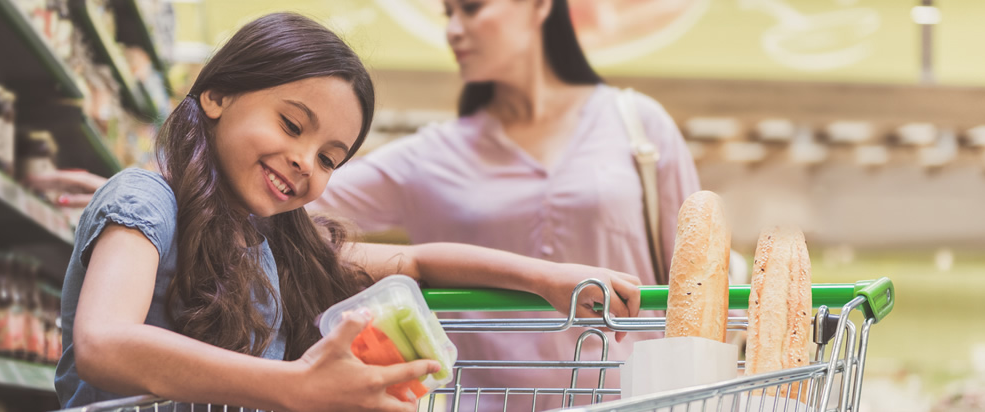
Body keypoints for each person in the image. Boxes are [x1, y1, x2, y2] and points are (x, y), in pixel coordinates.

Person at [55, 12, 642, 411]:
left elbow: (413, 262)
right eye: (291, 124)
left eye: (329, 158)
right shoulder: (146, 200)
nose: (305, 162)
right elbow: (105, 342)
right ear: (216, 96)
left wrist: (547, 277)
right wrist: (297, 385)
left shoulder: (267, 240)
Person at [309, 0, 701, 408]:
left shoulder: (638, 124)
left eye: (472, 8)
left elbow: (695, 277)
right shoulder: (427, 158)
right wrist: (411, 262)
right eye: (449, 14)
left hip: (641, 400)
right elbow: (280, 218)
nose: (454, 30)